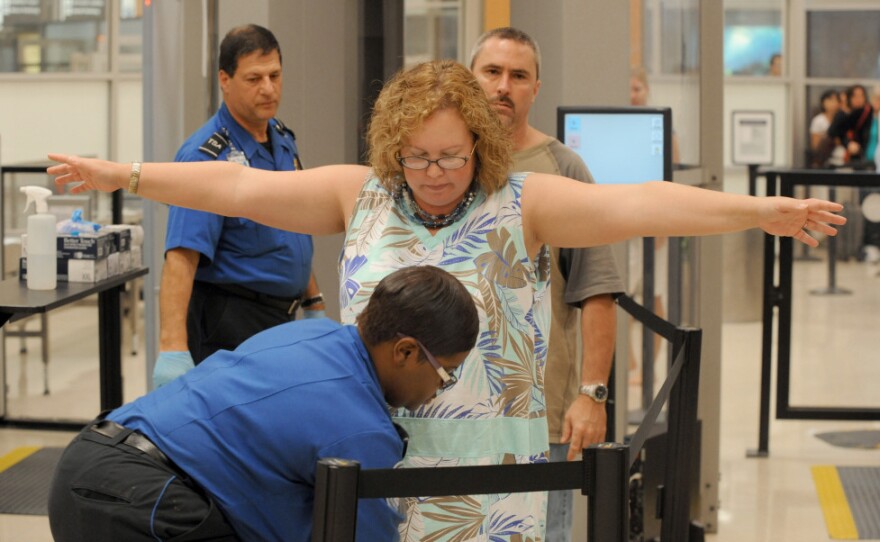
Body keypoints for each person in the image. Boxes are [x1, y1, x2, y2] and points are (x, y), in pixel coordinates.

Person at [49, 59, 846, 541]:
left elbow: (645, 203)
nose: (434, 173)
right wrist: (129, 177)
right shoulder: (358, 197)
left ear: (482, 145)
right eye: (418, 156)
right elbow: (236, 186)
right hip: (372, 464)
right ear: (394, 146)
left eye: (453, 157)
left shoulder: (525, 202)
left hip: (493, 475)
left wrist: (762, 211)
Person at [48, 265, 479, 542]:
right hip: (143, 503)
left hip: (89, 461)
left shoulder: (309, 334)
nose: (440, 389)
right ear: (404, 352)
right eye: (445, 373)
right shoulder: (361, 429)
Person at [469, 27, 624, 542]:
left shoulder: (563, 169)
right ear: (470, 80)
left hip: (541, 412)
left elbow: (597, 290)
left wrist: (592, 395)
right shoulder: (442, 164)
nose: (503, 87)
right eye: (492, 72)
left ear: (536, 88)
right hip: (450, 410)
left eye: (518, 76)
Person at [155, 24, 324, 388]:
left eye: (275, 75)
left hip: (280, 318)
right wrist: (171, 348)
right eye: (254, 79)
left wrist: (315, 301)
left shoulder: (280, 137)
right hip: (229, 321)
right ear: (225, 79)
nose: (268, 88)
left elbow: (295, 226)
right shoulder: (206, 158)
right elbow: (181, 257)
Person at [809, 89, 841, 168]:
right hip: (823, 159)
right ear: (823, 102)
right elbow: (815, 145)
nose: (833, 103)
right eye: (830, 100)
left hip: (840, 157)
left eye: (835, 100)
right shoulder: (818, 120)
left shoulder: (841, 119)